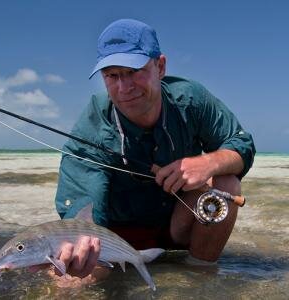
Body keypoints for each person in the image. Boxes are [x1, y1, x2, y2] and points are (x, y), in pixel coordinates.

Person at [52, 19, 255, 281]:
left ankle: (200, 279)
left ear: (160, 66)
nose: (124, 88)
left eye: (134, 71)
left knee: (226, 185)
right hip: (114, 236)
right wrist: (81, 245)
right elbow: (83, 204)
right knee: (69, 278)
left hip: (175, 227)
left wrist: (208, 164)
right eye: (112, 75)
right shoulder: (92, 124)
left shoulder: (191, 99)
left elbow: (241, 144)